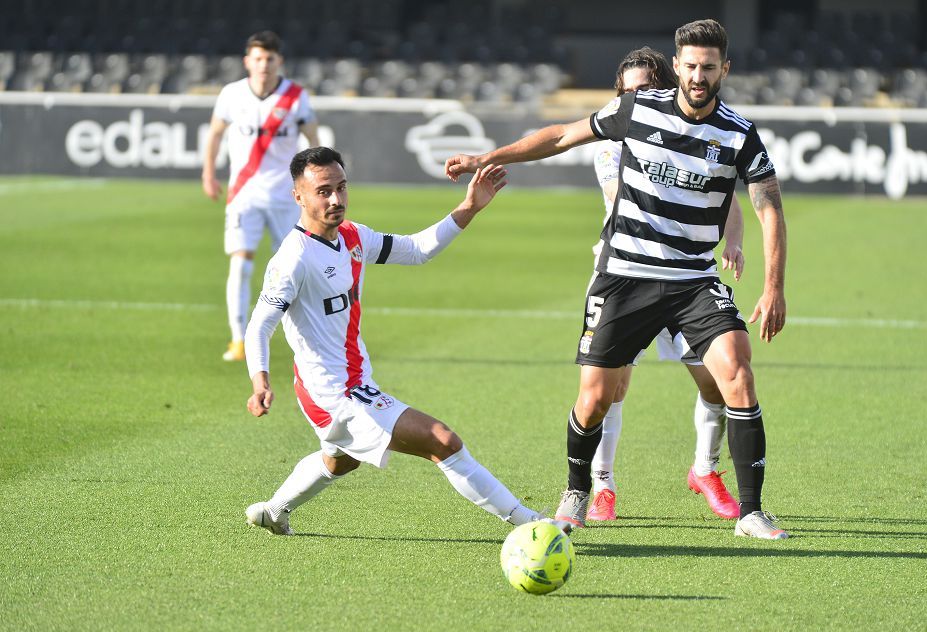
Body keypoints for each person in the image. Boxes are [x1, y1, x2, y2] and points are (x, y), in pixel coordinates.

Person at [446, 19, 790, 539]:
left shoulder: (738, 132)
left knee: (736, 375)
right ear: (676, 67)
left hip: (693, 280)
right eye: (691, 66)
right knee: (595, 398)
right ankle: (578, 491)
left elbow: (768, 206)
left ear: (726, 69)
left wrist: (773, 287)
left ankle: (750, 512)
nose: (699, 76)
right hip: (624, 274)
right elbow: (562, 135)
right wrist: (487, 156)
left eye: (709, 67)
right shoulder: (638, 109)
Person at [243, 146, 560, 537]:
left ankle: (274, 511)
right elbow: (259, 325)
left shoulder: (352, 236)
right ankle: (530, 524)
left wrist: (469, 208)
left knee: (340, 460)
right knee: (442, 441)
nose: (336, 199)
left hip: (354, 381)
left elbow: (416, 250)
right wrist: (260, 381)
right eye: (324, 191)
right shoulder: (292, 259)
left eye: (341, 188)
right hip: (333, 392)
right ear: (299, 196)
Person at [586, 46, 745, 523]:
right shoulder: (614, 144)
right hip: (626, 274)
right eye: (629, 90)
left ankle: (705, 470)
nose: (638, 96)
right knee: (610, 390)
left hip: (684, 280)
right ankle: (601, 487)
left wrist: (733, 241)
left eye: (646, 88)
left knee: (717, 382)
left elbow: (726, 197)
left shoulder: (693, 131)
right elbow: (626, 198)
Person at [202, 30, 320, 362]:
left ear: (279, 61)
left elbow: (313, 140)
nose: (263, 64)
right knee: (240, 265)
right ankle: (238, 340)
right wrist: (208, 173)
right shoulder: (231, 94)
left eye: (269, 58)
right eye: (257, 58)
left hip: (286, 196)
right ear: (247, 61)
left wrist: (314, 185)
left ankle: (304, 340)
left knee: (295, 267)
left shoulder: (296, 96)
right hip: (244, 195)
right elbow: (214, 134)